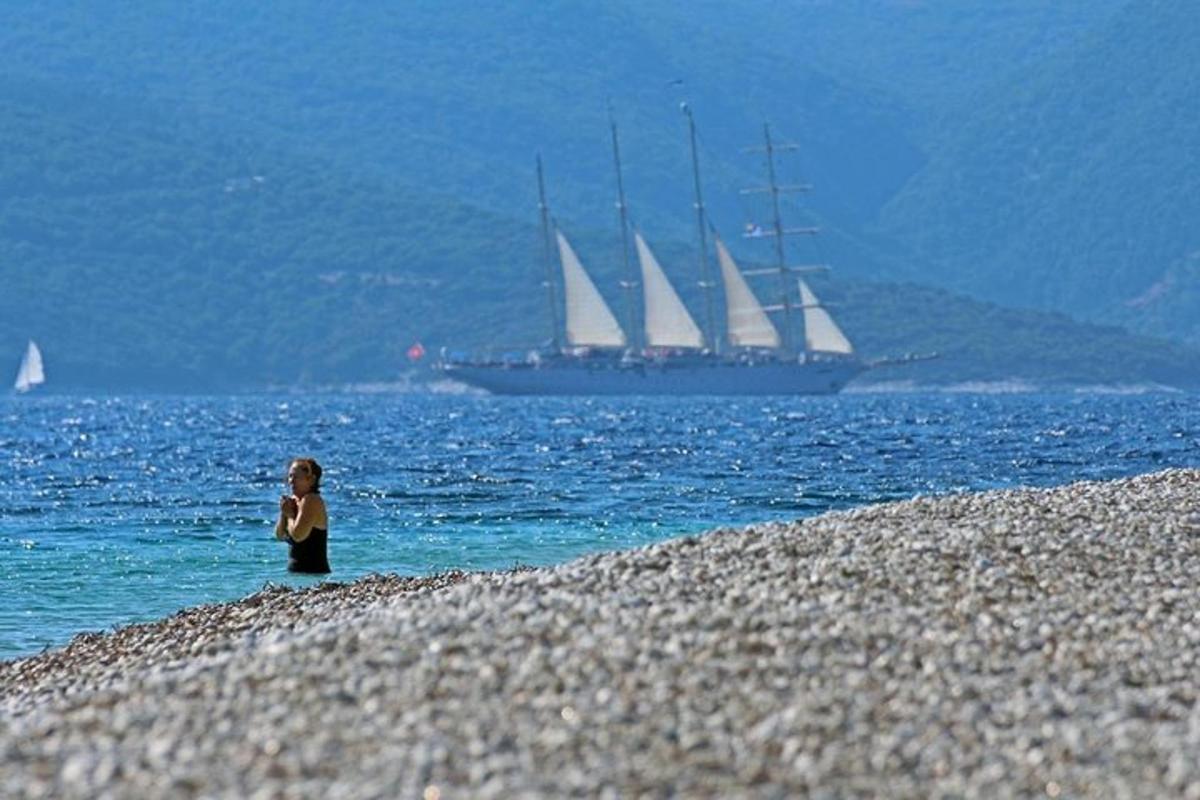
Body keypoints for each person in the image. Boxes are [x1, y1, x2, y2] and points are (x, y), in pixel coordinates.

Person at [275, 457, 331, 574]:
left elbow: (298, 535)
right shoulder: (294, 501)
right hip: (296, 574)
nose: (291, 481)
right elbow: (280, 535)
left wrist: (290, 515)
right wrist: (283, 512)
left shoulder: (311, 500)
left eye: (296, 477)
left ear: (311, 480)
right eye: (290, 476)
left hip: (314, 575)